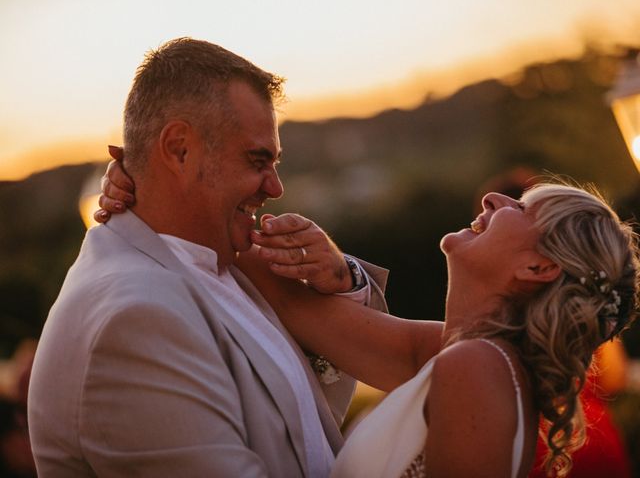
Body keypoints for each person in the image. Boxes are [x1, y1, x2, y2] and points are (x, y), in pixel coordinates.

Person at [27, 37, 389, 477]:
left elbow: (305, 421)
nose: (275, 189)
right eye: (257, 160)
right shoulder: (133, 321)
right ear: (179, 148)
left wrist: (342, 276)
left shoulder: (229, 261)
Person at [233, 183, 639, 477]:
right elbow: (292, 304)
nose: (492, 199)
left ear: (537, 268)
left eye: (520, 208)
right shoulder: (458, 353)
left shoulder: (477, 368)